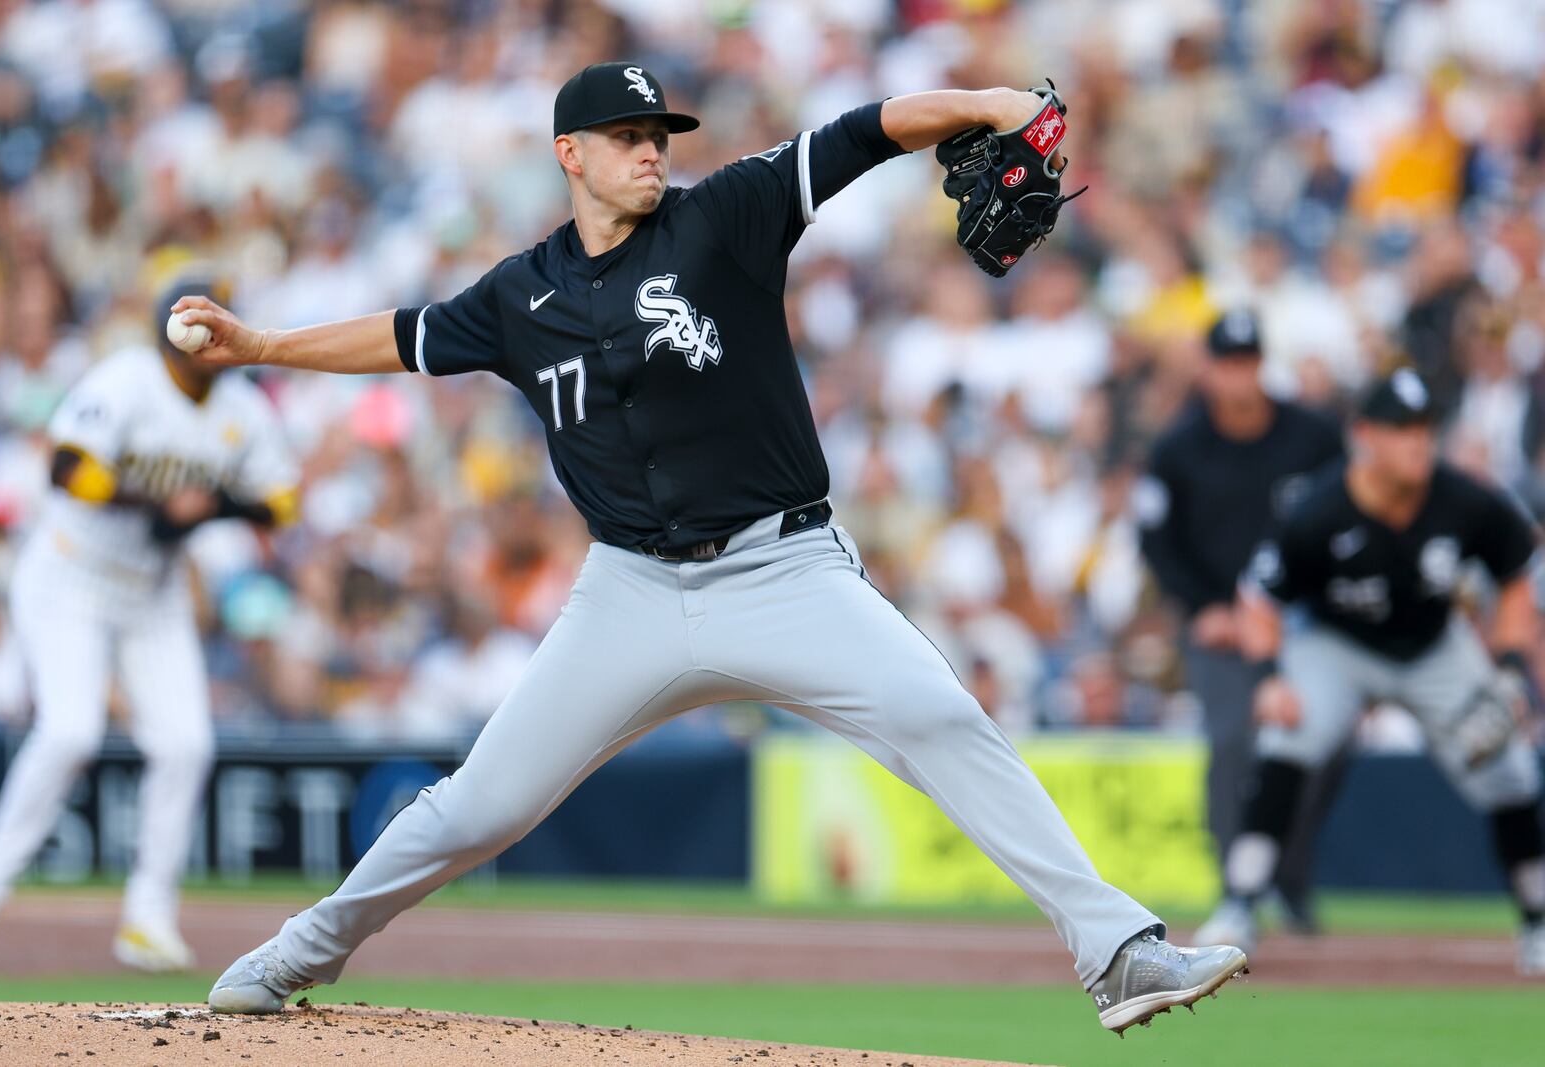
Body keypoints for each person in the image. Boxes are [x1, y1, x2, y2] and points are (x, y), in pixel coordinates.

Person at [182, 62, 1246, 1033]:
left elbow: (862, 130)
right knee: (479, 804)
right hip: (628, 592)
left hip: (782, 569)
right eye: (626, 133)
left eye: (659, 132)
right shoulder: (520, 295)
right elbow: (405, 336)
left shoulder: (726, 214)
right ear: (570, 154)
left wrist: (980, 107)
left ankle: (1117, 951)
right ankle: (298, 950)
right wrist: (264, 345)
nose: (651, 149)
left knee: (936, 713)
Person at [0, 271, 299, 972]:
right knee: (71, 729)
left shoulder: (241, 407)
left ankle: (148, 916)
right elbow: (68, 467)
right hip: (69, 574)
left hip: (153, 591)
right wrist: (162, 507)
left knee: (187, 743)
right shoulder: (131, 380)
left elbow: (281, 501)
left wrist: (217, 505)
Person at [1194, 369, 1545, 976]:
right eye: (1401, 430)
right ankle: (1241, 900)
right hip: (1339, 644)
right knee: (1290, 732)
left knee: (1509, 768)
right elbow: (1259, 599)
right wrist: (1270, 677)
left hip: (1434, 645)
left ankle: (1538, 919)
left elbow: (1516, 574)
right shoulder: (1319, 507)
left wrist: (1513, 669)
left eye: (1425, 430)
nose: (1418, 443)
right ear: (1364, 436)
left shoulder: (1465, 499)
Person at [1138, 311, 1345, 929]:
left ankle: (1288, 878)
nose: (1238, 376)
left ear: (1261, 364)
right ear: (1208, 369)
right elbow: (1157, 540)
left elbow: (1344, 517)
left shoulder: (1313, 437)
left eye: (1248, 362)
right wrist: (1205, 607)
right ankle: (1239, 893)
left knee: (1321, 746)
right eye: (1227, 363)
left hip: (1303, 621)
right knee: (1232, 742)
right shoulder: (1177, 448)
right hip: (1222, 622)